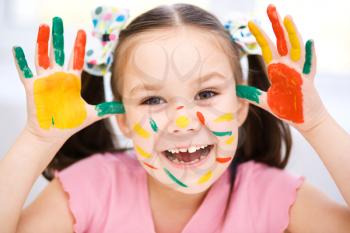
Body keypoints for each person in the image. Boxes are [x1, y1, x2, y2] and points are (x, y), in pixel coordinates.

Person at [1, 3, 349, 233]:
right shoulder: (92, 186)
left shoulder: (271, 196)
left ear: (241, 105)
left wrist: (316, 124)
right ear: (122, 118)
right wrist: (38, 138)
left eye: (207, 94)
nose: (183, 122)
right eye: (153, 99)